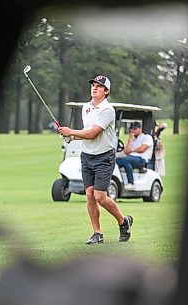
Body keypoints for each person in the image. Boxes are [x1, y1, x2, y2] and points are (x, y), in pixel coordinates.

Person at [58, 75, 133, 244]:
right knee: (90, 195)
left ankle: (123, 221)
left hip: (104, 158)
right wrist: (71, 137)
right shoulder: (86, 107)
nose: (94, 88)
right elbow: (86, 133)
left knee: (100, 196)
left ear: (106, 91)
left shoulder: (108, 110)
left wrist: (71, 132)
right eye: (93, 85)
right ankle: (97, 233)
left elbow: (93, 134)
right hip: (87, 156)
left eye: (99, 86)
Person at [116, 121, 154, 191]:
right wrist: (130, 139)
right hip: (130, 159)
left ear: (140, 129)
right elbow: (126, 151)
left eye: (134, 129)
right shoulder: (132, 140)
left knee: (125, 160)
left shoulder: (147, 137)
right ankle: (126, 183)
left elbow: (142, 149)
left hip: (141, 160)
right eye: (131, 129)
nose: (132, 131)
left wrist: (132, 151)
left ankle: (131, 183)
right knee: (118, 161)